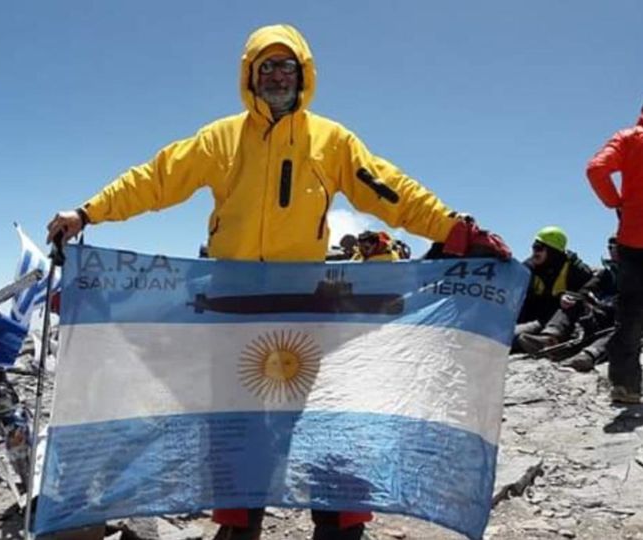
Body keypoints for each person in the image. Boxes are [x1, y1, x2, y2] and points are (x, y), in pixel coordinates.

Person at [47, 24, 510, 540]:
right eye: (265, 66)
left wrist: (453, 229)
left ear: (303, 74)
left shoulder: (332, 142)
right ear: (249, 75)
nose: (276, 75)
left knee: (326, 418)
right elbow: (155, 179)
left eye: (286, 65)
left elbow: (389, 190)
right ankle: (238, 526)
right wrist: (88, 212)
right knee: (234, 420)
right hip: (229, 303)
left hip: (304, 303)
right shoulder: (220, 139)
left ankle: (340, 524)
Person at [587, 104, 643, 404]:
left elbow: (596, 169)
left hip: (633, 238)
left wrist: (618, 203)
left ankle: (625, 385)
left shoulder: (628, 137)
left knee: (630, 314)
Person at [518, 236, 619, 371]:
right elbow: (584, 291)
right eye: (610, 247)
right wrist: (567, 297)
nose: (612, 251)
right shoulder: (607, 273)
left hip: (621, 320)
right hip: (598, 316)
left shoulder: (637, 273)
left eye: (616, 247)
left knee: (624, 328)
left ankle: (588, 355)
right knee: (571, 301)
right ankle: (549, 338)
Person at [513, 226, 594, 351]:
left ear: (552, 251)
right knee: (504, 336)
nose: (534, 252)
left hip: (558, 319)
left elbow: (591, 289)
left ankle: (549, 339)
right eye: (534, 247)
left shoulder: (575, 269)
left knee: (572, 301)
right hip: (534, 317)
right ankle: (534, 340)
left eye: (539, 248)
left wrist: (568, 295)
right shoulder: (529, 267)